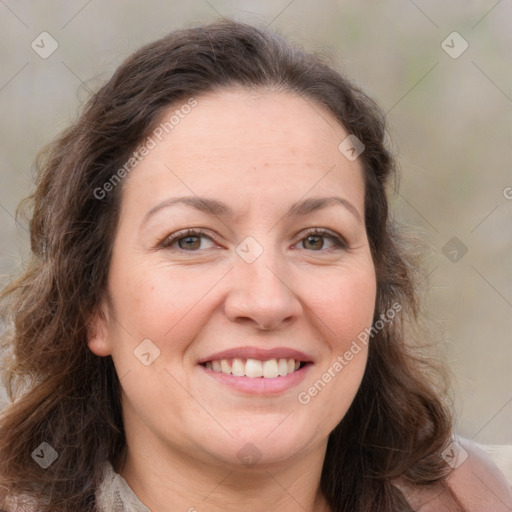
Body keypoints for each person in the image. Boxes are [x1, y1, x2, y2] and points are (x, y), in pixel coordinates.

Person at [0, 19, 510, 512]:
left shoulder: (479, 498)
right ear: (94, 305)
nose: (266, 300)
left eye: (317, 239)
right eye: (192, 240)